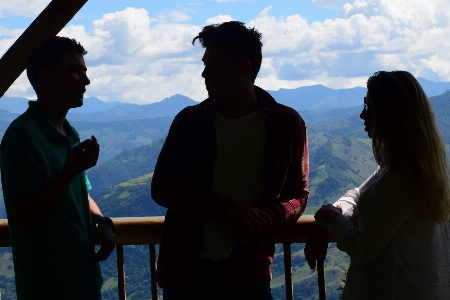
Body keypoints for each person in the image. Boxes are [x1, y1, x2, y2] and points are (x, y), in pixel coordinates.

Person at [151, 21, 309, 300]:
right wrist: (230, 211)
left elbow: (298, 193)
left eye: (214, 64)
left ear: (243, 67)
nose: (204, 73)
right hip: (186, 269)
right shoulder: (189, 122)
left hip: (248, 268)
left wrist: (268, 219)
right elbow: (162, 187)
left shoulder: (286, 124)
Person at [304, 71, 450, 300]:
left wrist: (332, 220)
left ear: (391, 114)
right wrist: (335, 210)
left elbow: (364, 249)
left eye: (369, 107)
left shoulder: (401, 176)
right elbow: (357, 194)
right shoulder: (402, 167)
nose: (362, 115)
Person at [0, 36, 116, 300]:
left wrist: (102, 221)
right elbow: (24, 215)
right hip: (48, 286)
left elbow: (79, 193)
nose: (86, 82)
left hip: (84, 278)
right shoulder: (23, 136)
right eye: (74, 71)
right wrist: (69, 170)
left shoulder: (68, 133)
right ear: (45, 76)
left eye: (85, 72)